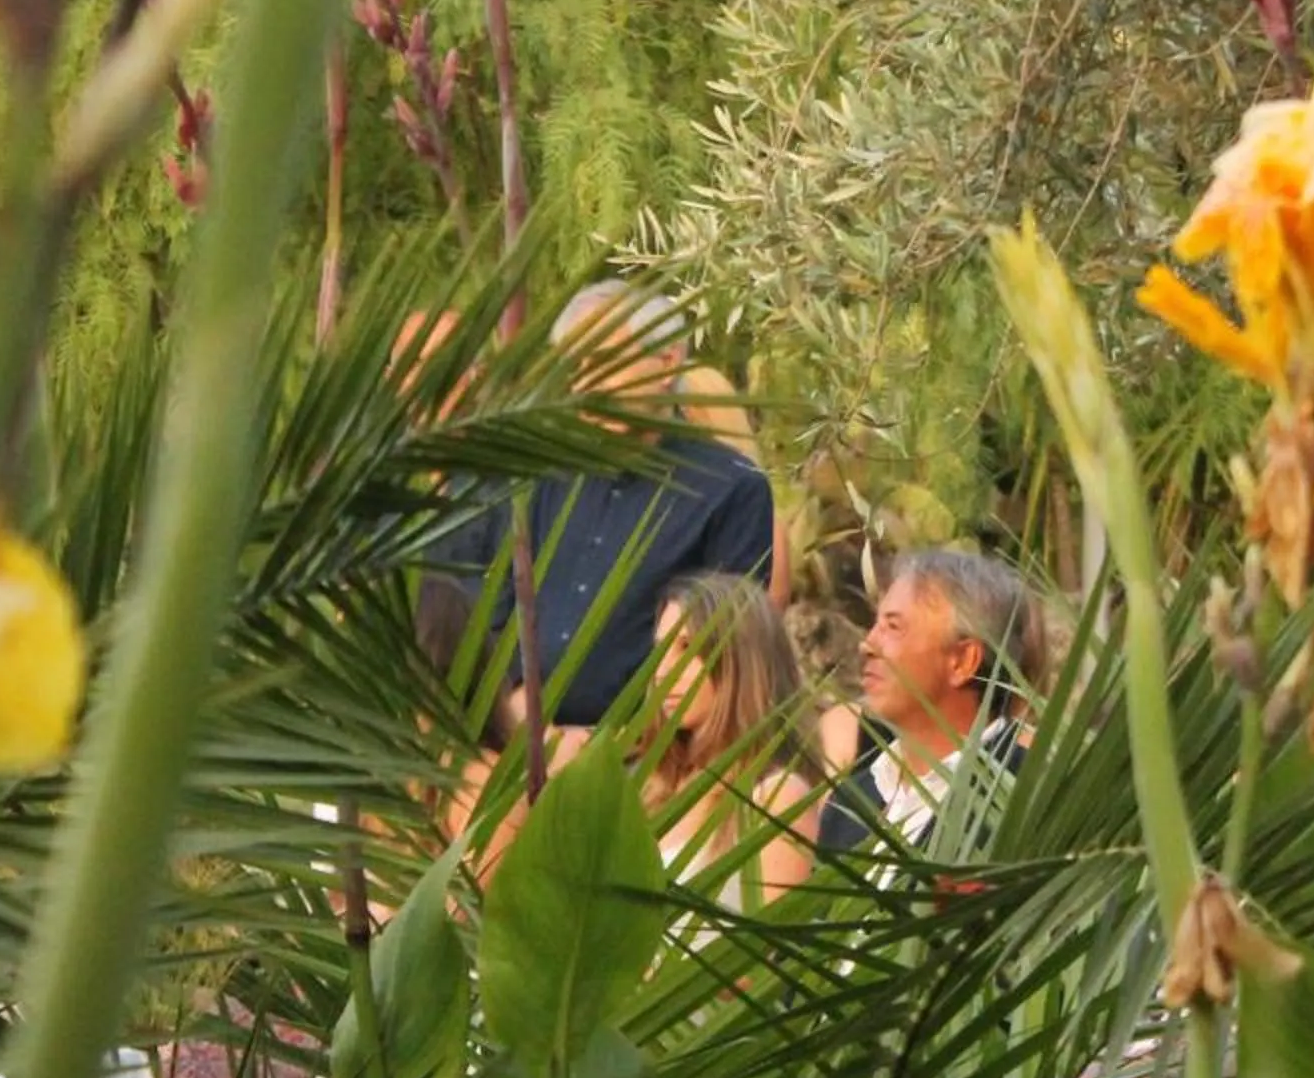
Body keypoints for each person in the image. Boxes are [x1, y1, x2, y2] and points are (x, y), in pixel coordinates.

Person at [440, 282, 777, 725]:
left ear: (668, 360)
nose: (585, 384)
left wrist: (629, 738)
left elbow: (725, 652)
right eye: (575, 367)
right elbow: (491, 599)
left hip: (644, 762)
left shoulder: (731, 490)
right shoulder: (536, 474)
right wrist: (515, 702)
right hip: (515, 739)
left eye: (602, 362)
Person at [819, 549, 1042, 855]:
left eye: (893, 627)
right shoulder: (853, 799)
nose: (867, 643)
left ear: (963, 661)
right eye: (876, 624)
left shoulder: (1024, 797)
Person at [644, 573, 823, 907]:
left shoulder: (775, 797)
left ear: (740, 660)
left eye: (687, 648)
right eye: (661, 651)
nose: (663, 670)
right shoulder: (651, 789)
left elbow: (768, 949)